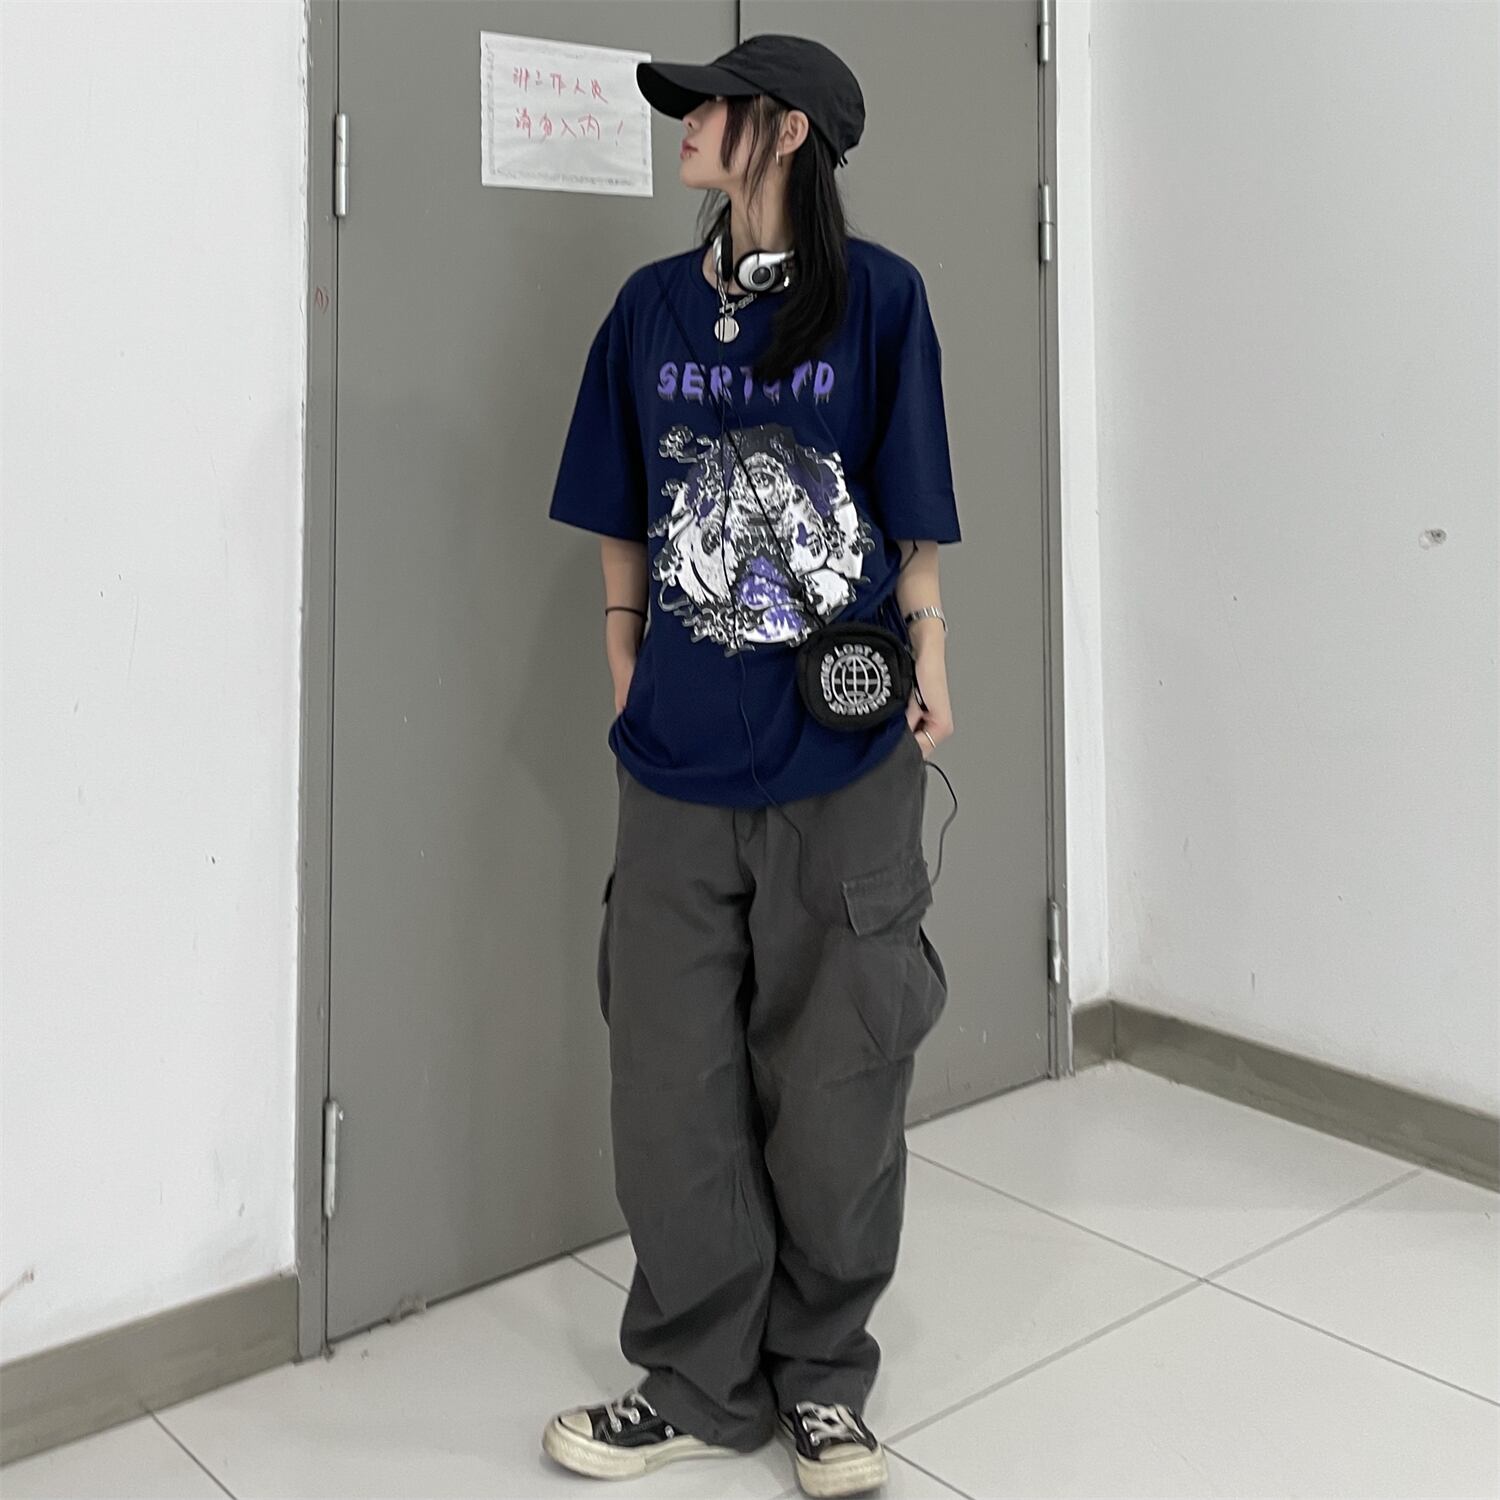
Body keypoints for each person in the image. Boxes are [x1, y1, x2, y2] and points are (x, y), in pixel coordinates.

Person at [541, 33, 961, 1499]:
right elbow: (619, 501)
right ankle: (696, 1379)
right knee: (670, 1082)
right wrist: (622, 645)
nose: (685, 123)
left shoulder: (882, 300)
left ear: (784, 132)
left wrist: (933, 648)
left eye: (710, 106)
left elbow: (910, 513)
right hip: (676, 760)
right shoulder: (649, 308)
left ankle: (824, 1383)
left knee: (839, 1076)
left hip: (842, 757)